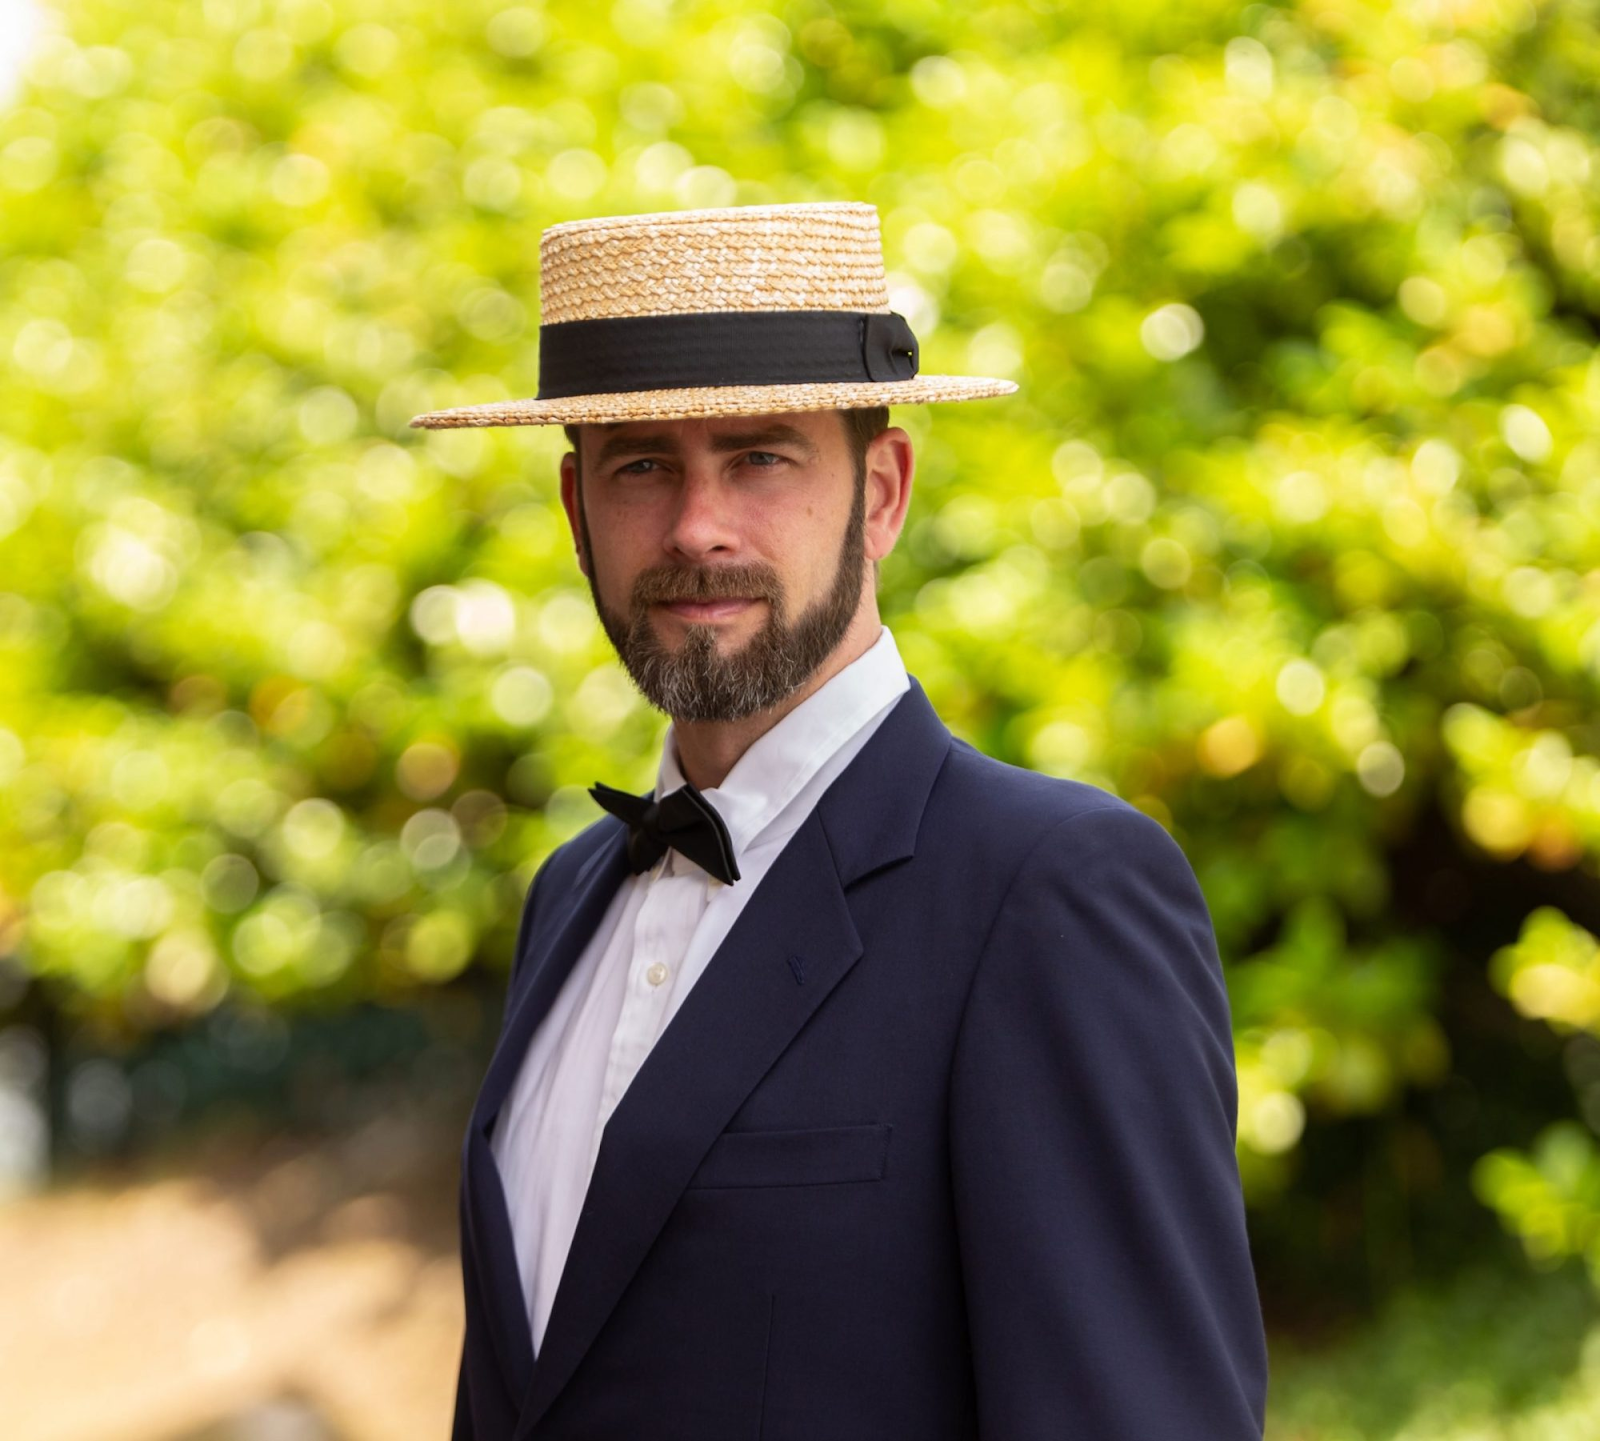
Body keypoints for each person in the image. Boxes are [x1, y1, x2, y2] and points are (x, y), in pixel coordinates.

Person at [411, 201, 1269, 1440]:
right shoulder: (567, 897)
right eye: (642, 465)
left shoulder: (1051, 890)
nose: (698, 525)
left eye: (759, 456)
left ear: (881, 491)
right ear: (575, 511)